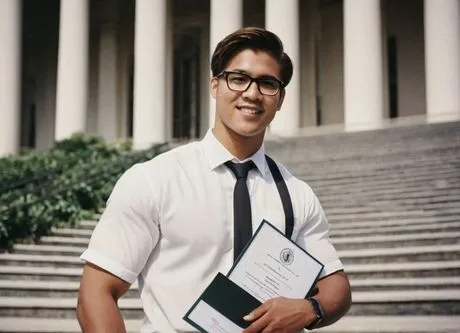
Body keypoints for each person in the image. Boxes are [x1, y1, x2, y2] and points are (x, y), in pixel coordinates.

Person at [77, 27, 352, 333]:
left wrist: (309, 309)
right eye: (238, 78)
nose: (252, 93)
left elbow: (336, 284)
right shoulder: (154, 180)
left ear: (281, 98)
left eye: (267, 83)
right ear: (215, 85)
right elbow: (96, 291)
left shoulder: (295, 193)